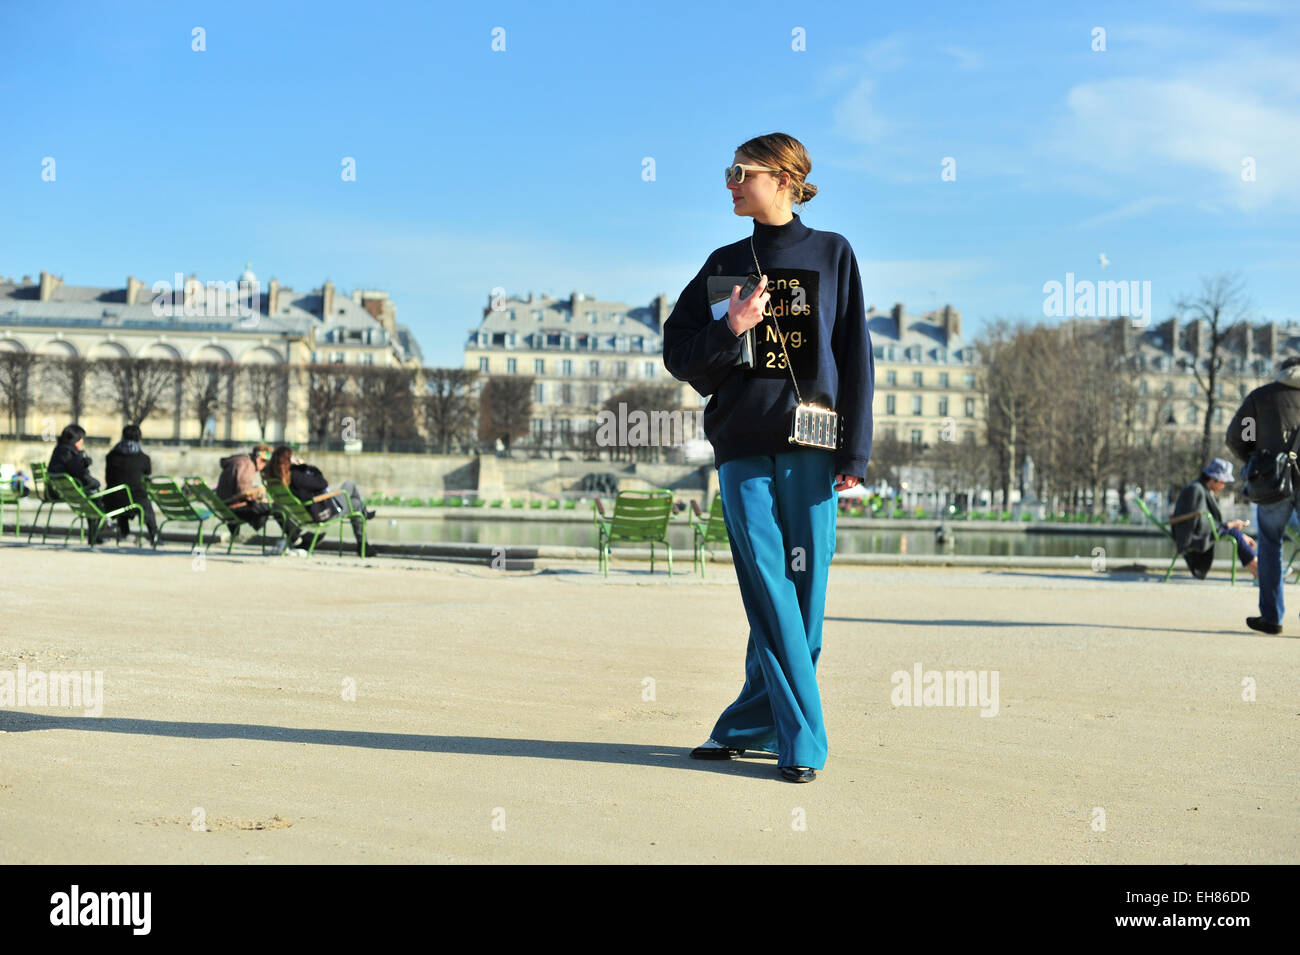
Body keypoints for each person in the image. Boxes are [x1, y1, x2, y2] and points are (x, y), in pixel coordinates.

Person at [661, 132, 873, 783]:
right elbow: (678, 351)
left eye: (739, 172)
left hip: (814, 446)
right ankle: (804, 739)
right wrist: (730, 328)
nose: (728, 183)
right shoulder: (726, 260)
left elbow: (856, 357)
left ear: (783, 177)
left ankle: (746, 725)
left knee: (804, 599)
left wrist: (855, 453)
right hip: (743, 444)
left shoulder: (833, 254)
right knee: (768, 587)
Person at [1226, 355, 1300, 634]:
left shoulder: (1261, 397)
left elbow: (1237, 436)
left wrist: (1256, 461)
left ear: (1281, 372)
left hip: (1273, 484)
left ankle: (1272, 617)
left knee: (1270, 547)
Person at [266, 446, 374, 554]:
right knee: (351, 488)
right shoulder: (296, 476)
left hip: (308, 513)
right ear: (289, 459)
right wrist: (305, 467)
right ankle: (363, 541)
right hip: (322, 512)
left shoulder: (278, 479)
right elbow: (322, 483)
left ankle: (364, 542)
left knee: (355, 504)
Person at [1169, 459, 1257, 581]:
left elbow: (1204, 521)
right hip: (1192, 536)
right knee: (1236, 534)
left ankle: (1259, 571)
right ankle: (1261, 570)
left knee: (1237, 534)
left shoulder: (1201, 489)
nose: (1224, 486)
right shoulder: (1196, 490)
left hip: (1200, 532)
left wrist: (1235, 530)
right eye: (1223, 482)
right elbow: (1200, 524)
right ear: (1213, 479)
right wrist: (1230, 525)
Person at [216, 443, 299, 555]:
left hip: (226, 507)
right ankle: (296, 538)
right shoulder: (247, 464)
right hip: (235, 508)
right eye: (265, 462)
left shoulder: (240, 461)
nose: (264, 467)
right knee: (276, 507)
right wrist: (258, 496)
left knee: (273, 506)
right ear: (259, 458)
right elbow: (243, 492)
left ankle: (296, 537)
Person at [47, 423, 107, 544]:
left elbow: (72, 469)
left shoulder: (60, 450)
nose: (82, 442)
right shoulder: (70, 453)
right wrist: (96, 483)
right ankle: (98, 530)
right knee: (96, 498)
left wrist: (82, 462)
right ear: (76, 439)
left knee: (93, 498)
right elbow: (81, 475)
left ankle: (97, 531)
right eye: (81, 439)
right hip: (69, 492)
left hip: (58, 490)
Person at [102, 424, 160, 545]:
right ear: (139, 438)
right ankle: (154, 534)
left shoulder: (111, 456)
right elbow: (146, 477)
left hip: (112, 499)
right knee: (143, 501)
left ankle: (124, 531)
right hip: (136, 500)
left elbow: (108, 478)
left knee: (122, 492)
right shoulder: (144, 459)